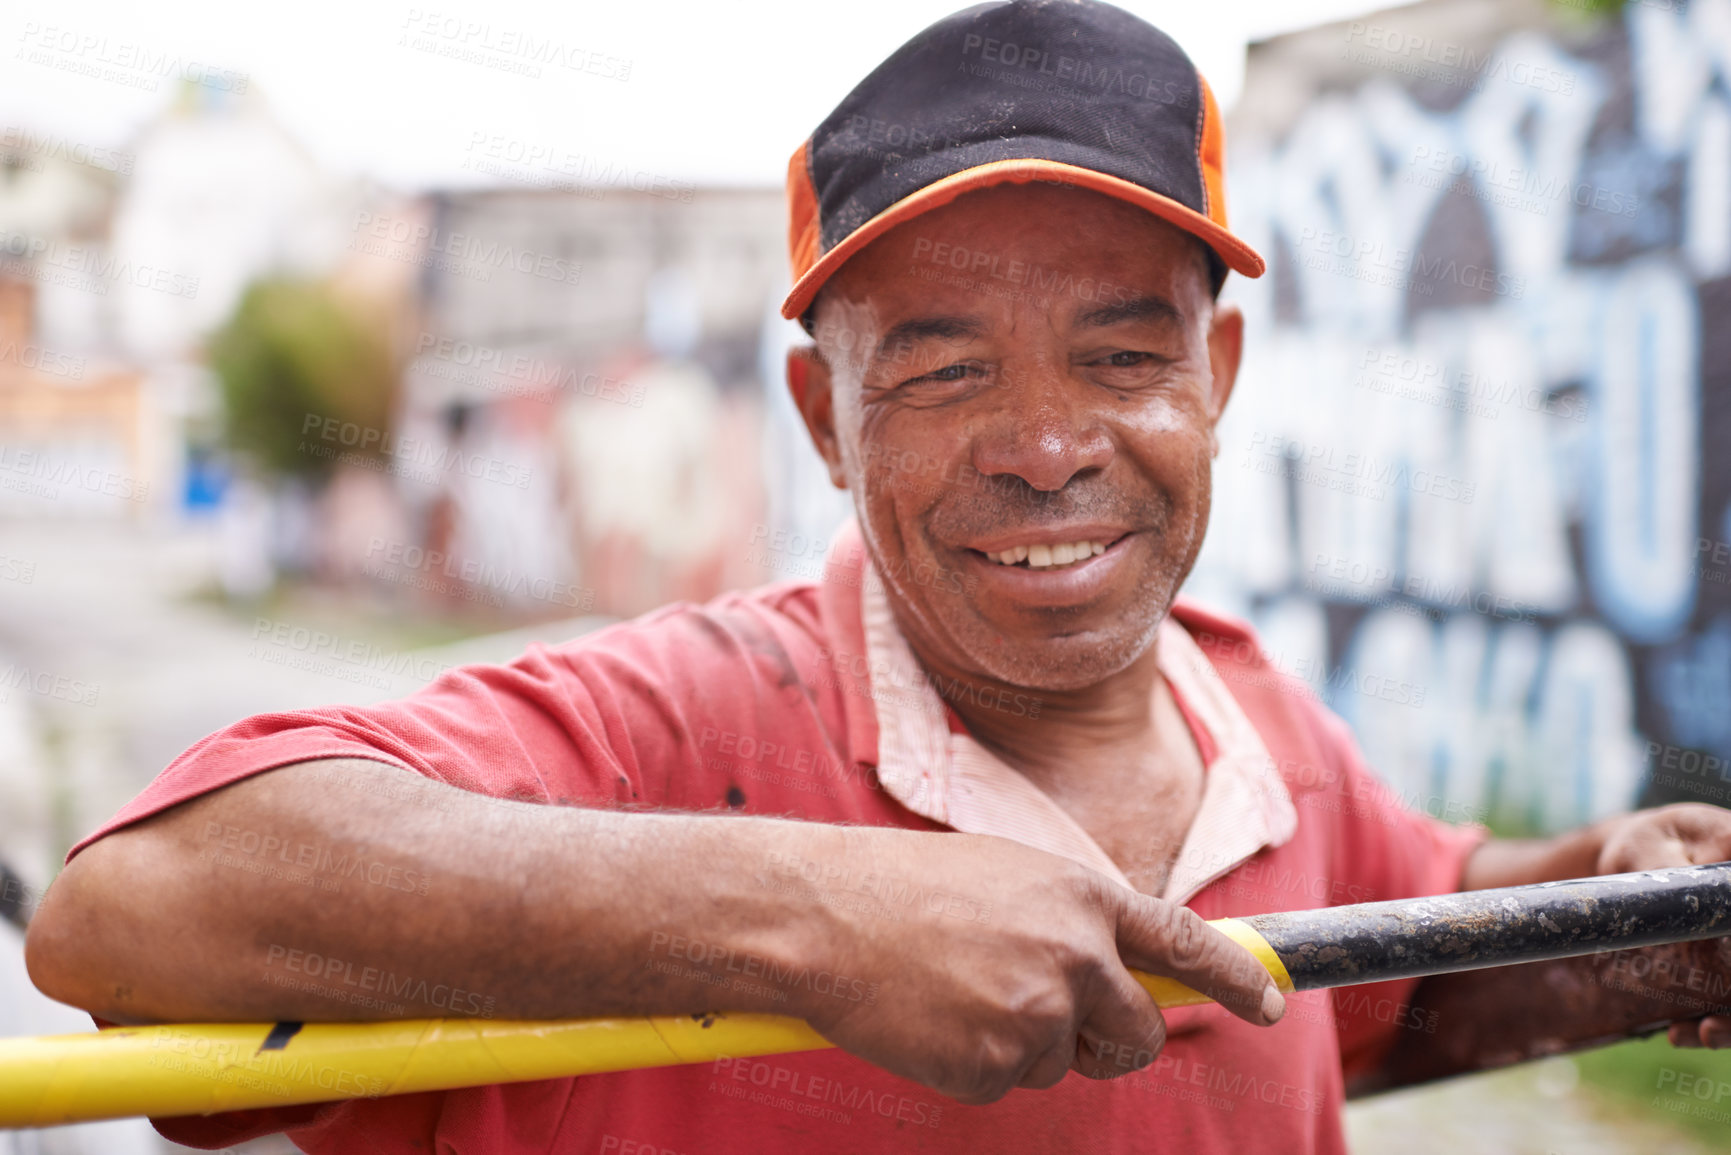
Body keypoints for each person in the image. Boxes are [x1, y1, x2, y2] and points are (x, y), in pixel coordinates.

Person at [26, 2, 1731, 1151]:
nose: (1048, 445)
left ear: (1218, 378)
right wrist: (814, 915)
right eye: (941, 369)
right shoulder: (681, 724)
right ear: (821, 419)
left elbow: (1392, 972)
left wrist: (1614, 894)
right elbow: (135, 914)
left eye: (1123, 357)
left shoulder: (1259, 721)